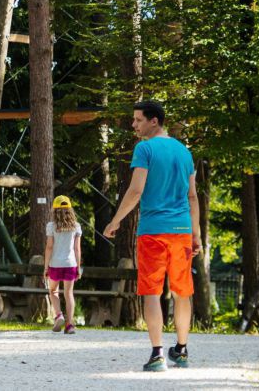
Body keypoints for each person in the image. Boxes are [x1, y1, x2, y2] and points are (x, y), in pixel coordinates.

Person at [105, 100, 202, 372]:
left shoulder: (144, 148)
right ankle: (181, 350)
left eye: (138, 120)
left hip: (153, 232)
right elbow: (192, 196)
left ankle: (158, 354)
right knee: (182, 293)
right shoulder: (184, 152)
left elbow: (136, 191)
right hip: (182, 231)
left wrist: (115, 221)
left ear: (154, 121)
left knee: (151, 291)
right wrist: (196, 235)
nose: (134, 125)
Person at [44, 195, 82, 334]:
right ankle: (69, 325)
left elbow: (49, 247)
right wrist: (78, 267)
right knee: (68, 293)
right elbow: (77, 249)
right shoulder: (76, 227)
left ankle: (58, 315)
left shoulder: (51, 226)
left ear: (55, 209)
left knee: (53, 291)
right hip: (70, 263)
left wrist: (46, 266)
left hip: (55, 264)